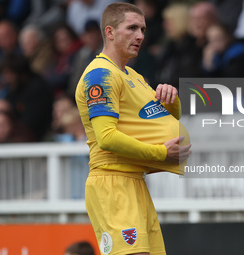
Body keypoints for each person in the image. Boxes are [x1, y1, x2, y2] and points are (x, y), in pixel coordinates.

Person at [75, 3, 191, 255]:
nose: (140, 36)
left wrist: (172, 101)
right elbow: (105, 138)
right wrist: (160, 153)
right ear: (110, 32)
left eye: (143, 29)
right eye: (132, 28)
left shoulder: (134, 76)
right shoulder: (100, 75)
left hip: (135, 182)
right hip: (112, 182)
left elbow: (166, 121)